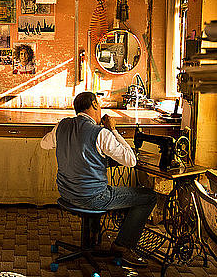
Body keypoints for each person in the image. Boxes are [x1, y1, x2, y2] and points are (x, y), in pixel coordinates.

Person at [41, 92, 157, 267]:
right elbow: (131, 160)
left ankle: (94, 237)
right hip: (93, 198)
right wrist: (113, 130)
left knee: (95, 186)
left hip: (66, 194)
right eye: (99, 104)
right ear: (94, 104)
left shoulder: (62, 126)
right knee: (148, 197)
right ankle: (122, 246)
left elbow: (44, 144)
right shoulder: (101, 133)